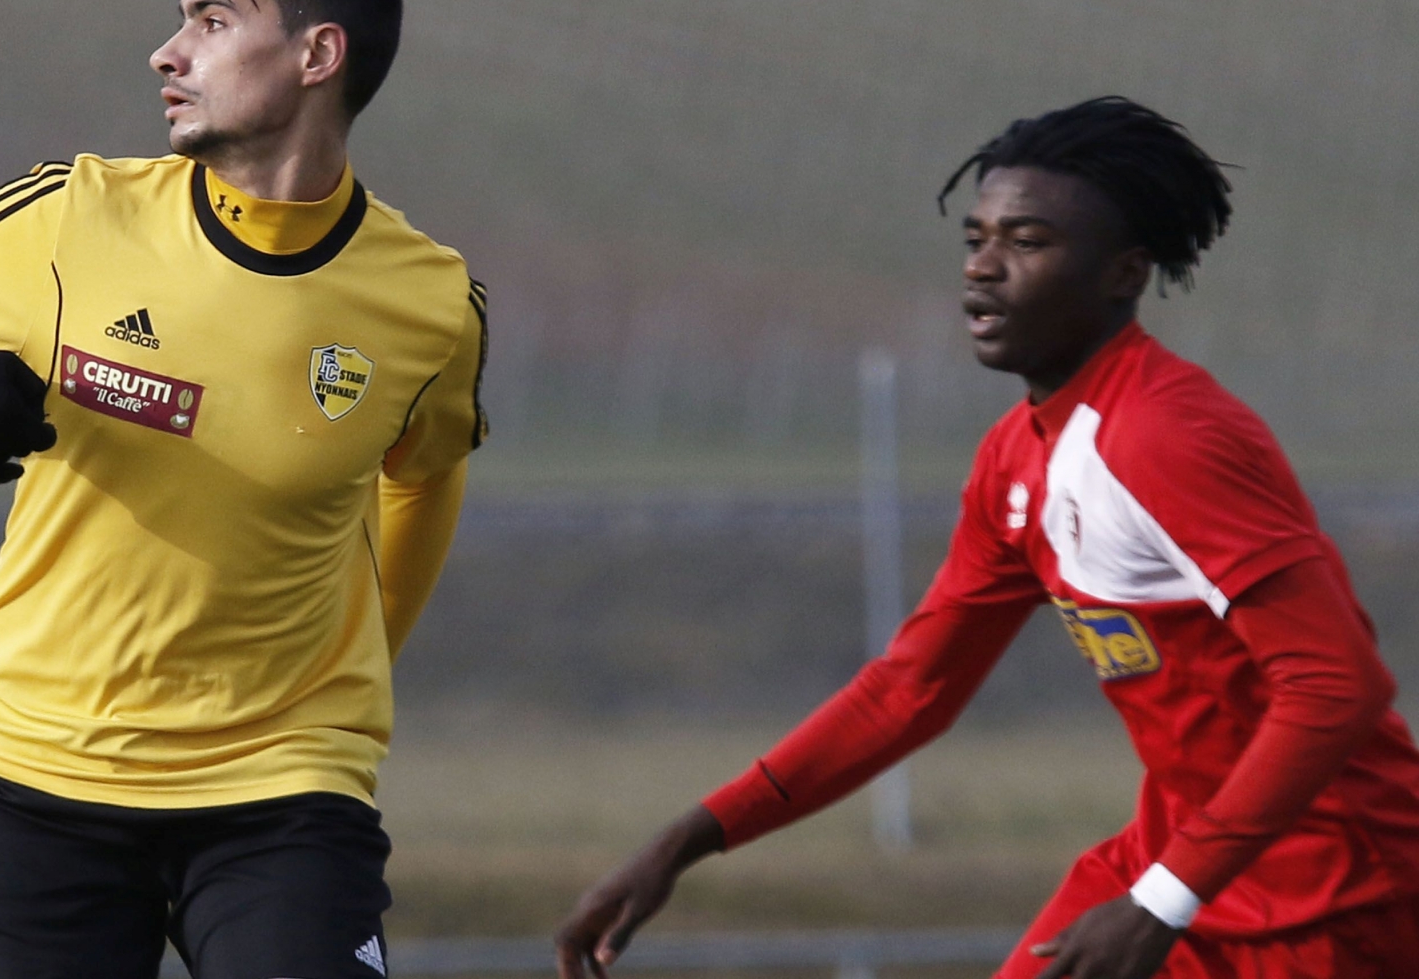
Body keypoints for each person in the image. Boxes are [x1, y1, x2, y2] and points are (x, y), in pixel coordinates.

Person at [0, 0, 487, 979]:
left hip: (283, 793)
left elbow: (424, 472)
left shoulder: (429, 302)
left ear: (317, 55)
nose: (166, 53)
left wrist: (359, 661)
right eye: (177, 21)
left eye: (209, 20)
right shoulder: (75, 214)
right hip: (38, 779)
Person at [555, 97, 1419, 979]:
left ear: (1124, 273)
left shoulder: (1164, 435)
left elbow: (1336, 685)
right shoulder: (1017, 457)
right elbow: (909, 689)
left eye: (1029, 242)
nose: (984, 269)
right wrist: (687, 839)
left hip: (1340, 894)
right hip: (1182, 869)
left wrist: (1165, 898)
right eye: (976, 239)